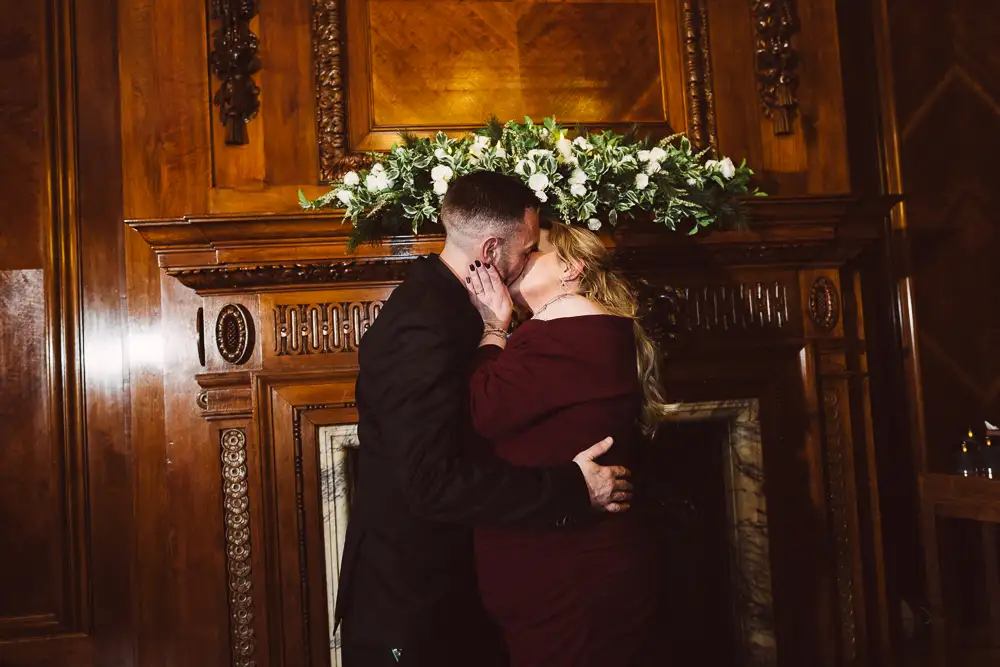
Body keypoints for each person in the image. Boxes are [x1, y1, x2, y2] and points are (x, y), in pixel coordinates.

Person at [336, 171, 635, 667]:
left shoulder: (458, 305)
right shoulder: (426, 321)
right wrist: (573, 490)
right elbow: (431, 483)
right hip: (413, 605)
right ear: (492, 248)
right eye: (526, 249)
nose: (523, 265)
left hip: (452, 596)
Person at [465, 221, 668, 667]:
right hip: (573, 574)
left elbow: (480, 411)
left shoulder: (567, 324)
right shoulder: (567, 329)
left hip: (572, 579)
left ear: (572, 268)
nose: (517, 259)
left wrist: (492, 328)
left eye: (534, 250)